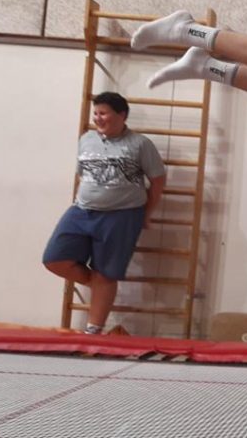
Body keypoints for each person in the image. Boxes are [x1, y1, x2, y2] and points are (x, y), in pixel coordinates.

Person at [42, 92, 166, 335]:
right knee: (54, 259)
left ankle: (93, 329)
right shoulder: (87, 139)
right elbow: (82, 173)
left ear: (122, 115)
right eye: (96, 113)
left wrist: (147, 213)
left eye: (104, 113)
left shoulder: (140, 144)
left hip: (121, 215)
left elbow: (158, 180)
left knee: (107, 273)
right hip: (82, 210)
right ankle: (100, 285)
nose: (98, 118)